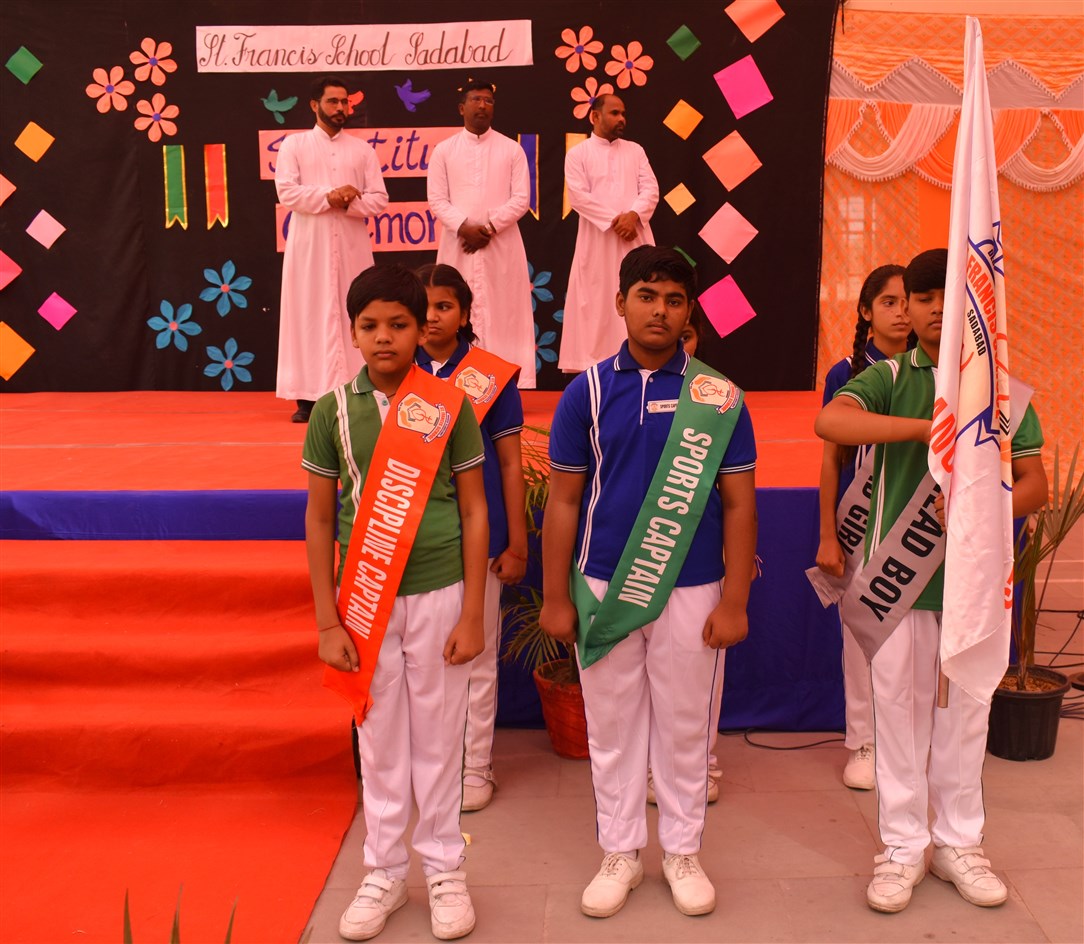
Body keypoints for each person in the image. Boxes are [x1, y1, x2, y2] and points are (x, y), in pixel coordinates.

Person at [814, 249, 1047, 914]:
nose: (936, 310)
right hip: (901, 586)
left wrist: (987, 499)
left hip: (973, 587)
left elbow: (1035, 483)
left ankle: (959, 844)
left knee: (966, 719)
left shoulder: (999, 388)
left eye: (948, 298)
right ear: (910, 309)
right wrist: (928, 430)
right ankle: (901, 847)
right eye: (922, 298)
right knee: (899, 719)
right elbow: (831, 422)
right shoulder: (890, 375)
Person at [540, 246, 757, 919]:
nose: (659, 310)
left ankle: (683, 851)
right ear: (620, 302)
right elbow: (563, 501)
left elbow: (740, 505)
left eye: (673, 300)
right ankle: (621, 852)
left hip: (693, 589)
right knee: (611, 728)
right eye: (646, 296)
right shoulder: (585, 392)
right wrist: (555, 596)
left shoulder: (718, 397)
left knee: (686, 728)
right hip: (602, 589)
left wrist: (735, 599)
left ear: (689, 312)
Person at [302, 264, 488, 941]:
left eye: (399, 324)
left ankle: (444, 869)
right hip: (364, 601)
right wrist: (327, 620)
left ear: (422, 329)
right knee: (379, 741)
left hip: (440, 593)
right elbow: (320, 517)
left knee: (438, 739)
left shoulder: (449, 405)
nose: (384, 337)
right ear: (352, 332)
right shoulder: (330, 411)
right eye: (370, 325)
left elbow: (474, 509)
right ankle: (382, 869)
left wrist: (473, 612)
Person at [415, 262, 528, 812]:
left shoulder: (491, 378)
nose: (433, 317)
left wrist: (516, 541)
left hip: (481, 541)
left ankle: (475, 766)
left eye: (444, 306)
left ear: (464, 314)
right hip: (414, 542)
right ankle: (425, 765)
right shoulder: (393, 371)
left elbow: (509, 464)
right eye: (424, 307)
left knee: (476, 657)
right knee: (418, 658)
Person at [815, 265, 909, 791]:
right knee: (860, 640)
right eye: (889, 302)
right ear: (866, 311)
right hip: (860, 524)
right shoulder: (845, 374)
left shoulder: (935, 370)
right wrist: (829, 534)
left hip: (916, 527)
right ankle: (864, 741)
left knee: (915, 641)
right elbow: (832, 460)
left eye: (908, 301)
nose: (901, 312)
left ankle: (907, 741)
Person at [276, 76, 389, 423]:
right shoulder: (294, 145)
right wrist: (329, 196)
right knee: (308, 313)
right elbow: (287, 192)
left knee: (354, 312)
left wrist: (349, 201)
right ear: (315, 105)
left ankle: (357, 390)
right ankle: (307, 398)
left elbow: (379, 199)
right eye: (333, 102)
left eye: (345, 102)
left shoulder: (362, 150)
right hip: (309, 248)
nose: (341, 108)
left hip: (352, 248)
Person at [648, 299, 722, 807]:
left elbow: (737, 502)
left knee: (694, 691)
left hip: (696, 567)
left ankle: (701, 764)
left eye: (689, 333)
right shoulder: (596, 390)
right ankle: (649, 770)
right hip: (629, 569)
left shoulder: (718, 398)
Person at [426, 80, 536, 388]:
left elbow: (521, 199)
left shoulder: (511, 149)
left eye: (488, 101)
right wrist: (464, 227)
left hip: (501, 243)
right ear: (462, 108)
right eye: (476, 100)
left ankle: (507, 382)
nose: (483, 105)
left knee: (506, 311)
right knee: (457, 304)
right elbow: (437, 199)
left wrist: (488, 228)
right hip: (458, 243)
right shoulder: (444, 151)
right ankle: (456, 381)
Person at [558, 94, 659, 373]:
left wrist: (633, 215)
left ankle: (640, 363)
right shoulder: (578, 154)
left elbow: (650, 189)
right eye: (615, 113)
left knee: (639, 293)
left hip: (635, 239)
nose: (621, 119)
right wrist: (615, 221)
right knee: (596, 303)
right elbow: (578, 197)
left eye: (623, 113)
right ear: (595, 116)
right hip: (597, 242)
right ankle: (596, 371)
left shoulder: (635, 151)